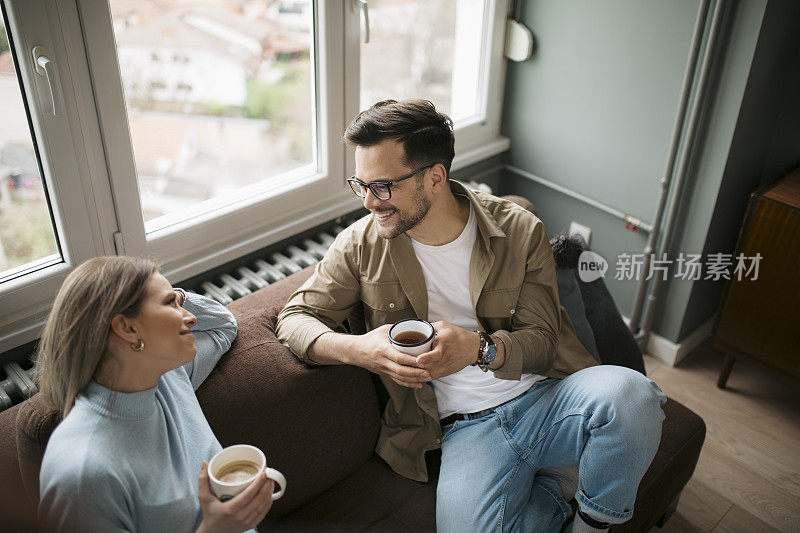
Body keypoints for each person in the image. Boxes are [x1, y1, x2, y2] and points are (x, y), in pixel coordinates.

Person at [276, 99, 667, 532]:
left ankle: (590, 526)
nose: (369, 202)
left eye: (383, 186)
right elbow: (295, 317)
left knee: (634, 395)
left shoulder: (519, 230)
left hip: (549, 399)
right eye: (360, 184)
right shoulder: (360, 245)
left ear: (435, 178)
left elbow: (543, 342)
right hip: (466, 431)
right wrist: (361, 349)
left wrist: (479, 350)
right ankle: (558, 490)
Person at [36, 256, 273, 532]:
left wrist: (177, 295)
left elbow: (223, 325)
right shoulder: (81, 473)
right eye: (170, 304)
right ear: (127, 328)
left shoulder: (168, 376)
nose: (190, 317)